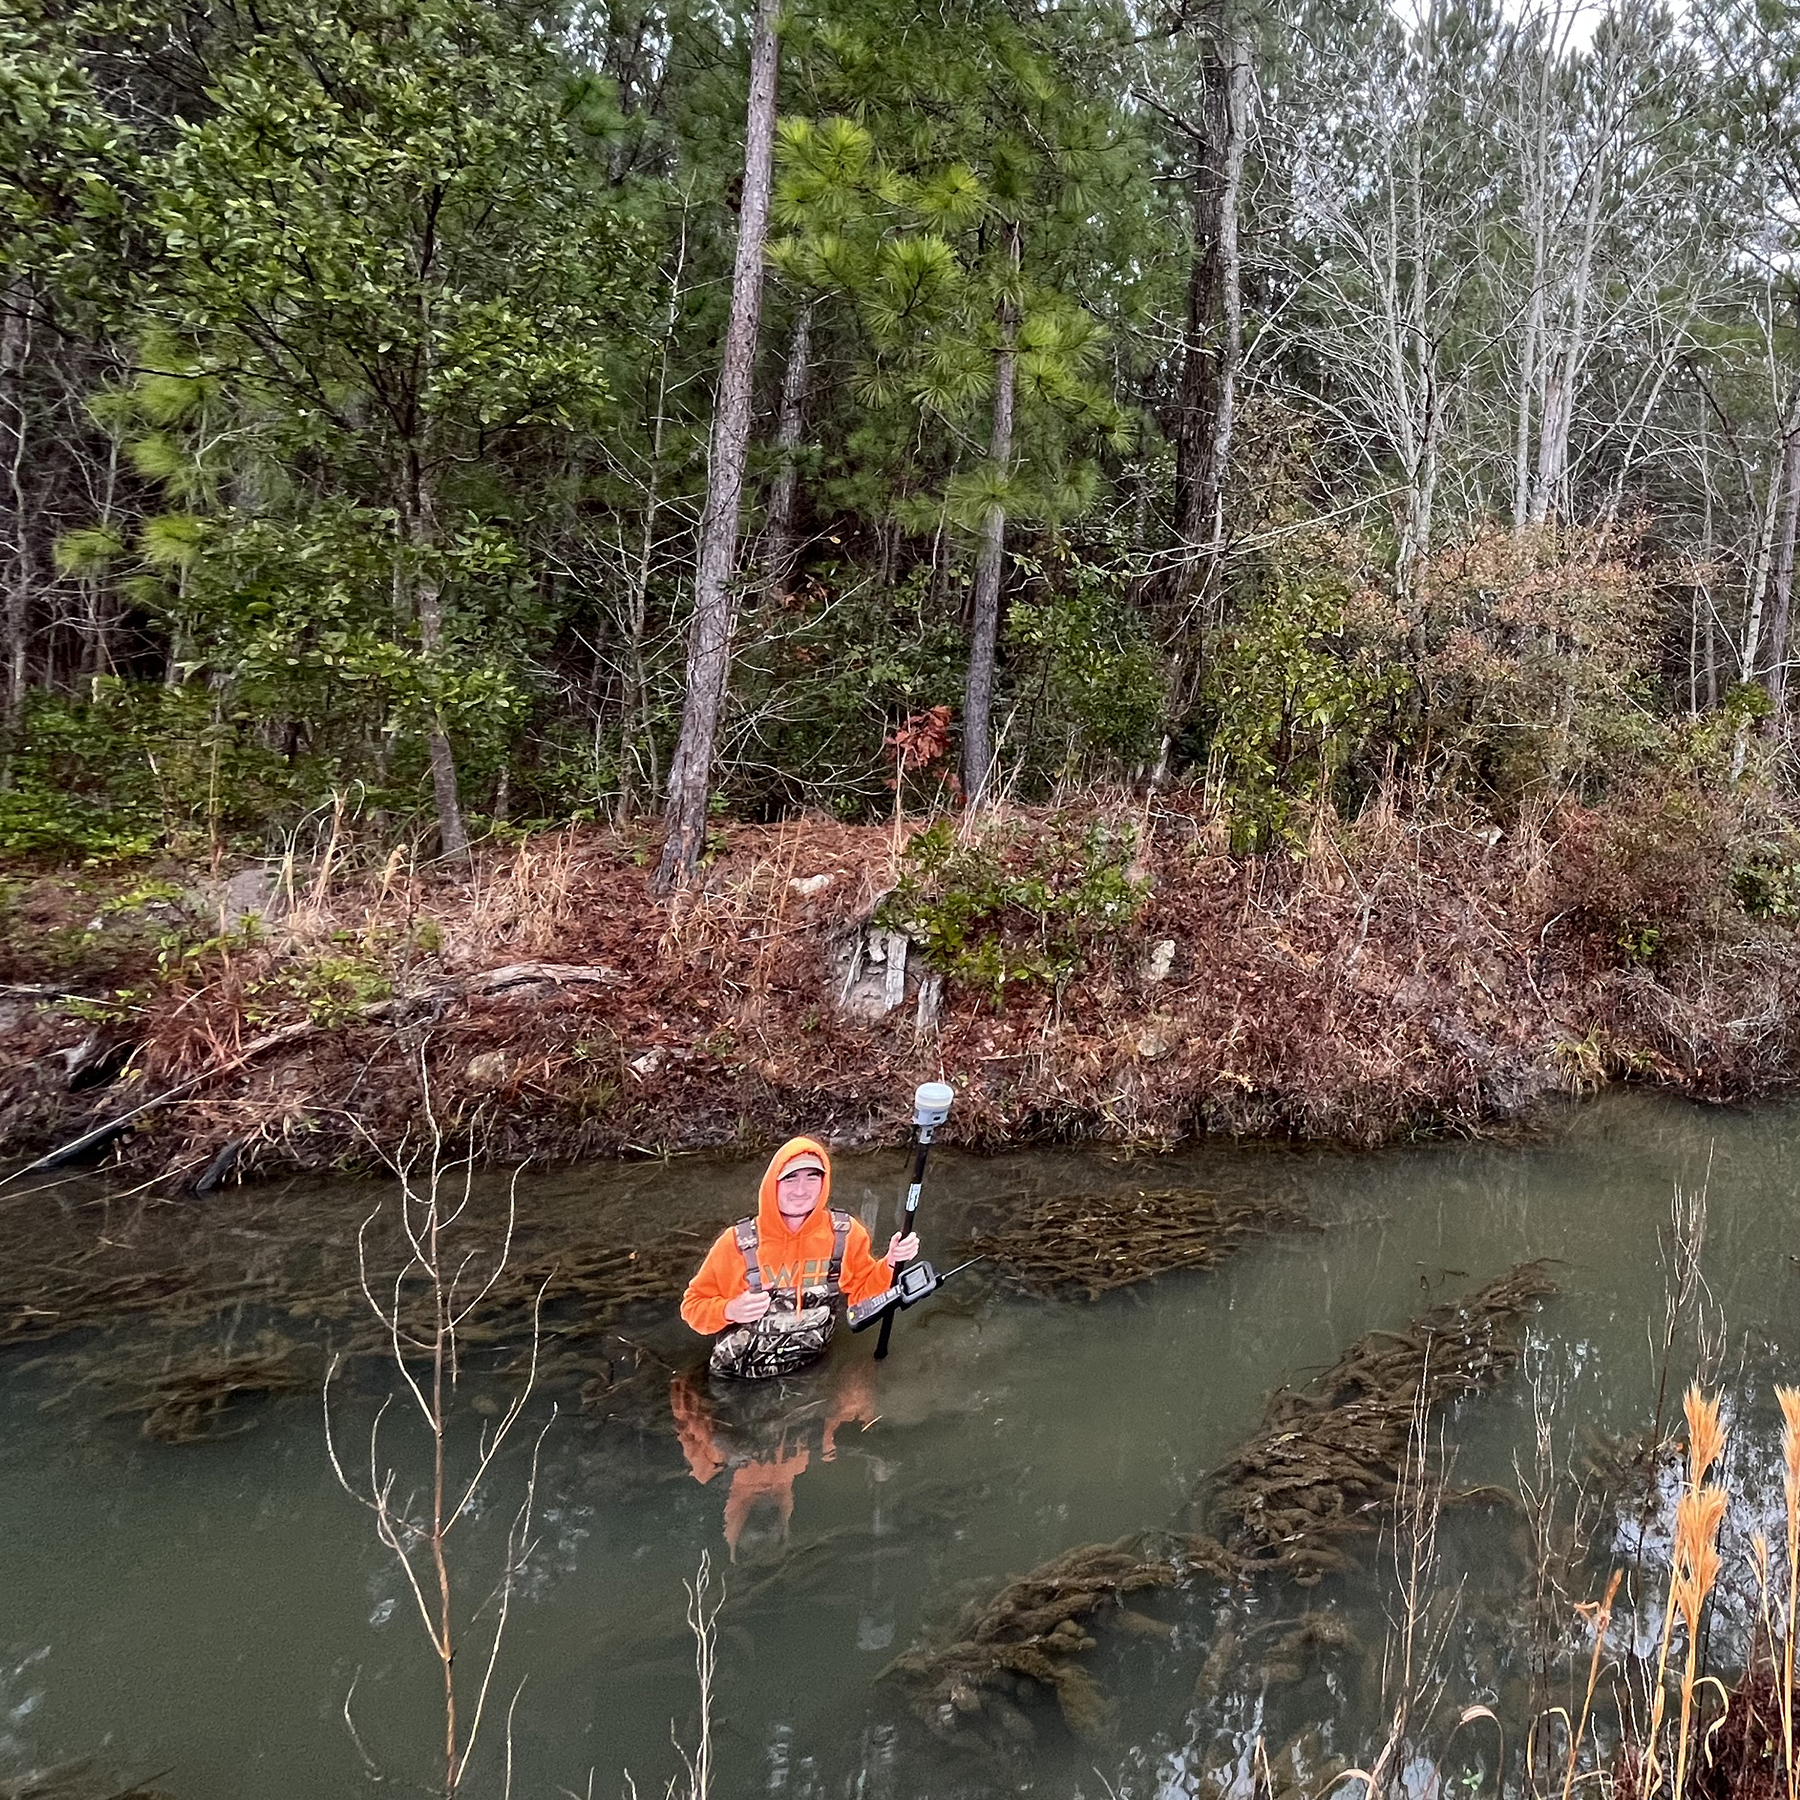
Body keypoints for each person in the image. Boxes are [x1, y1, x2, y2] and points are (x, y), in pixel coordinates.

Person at [680, 1136, 919, 1379]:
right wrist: (729, 1309)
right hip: (737, 1379)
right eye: (790, 1178)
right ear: (773, 1183)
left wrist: (891, 1263)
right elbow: (692, 1307)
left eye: (812, 1177)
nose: (801, 1190)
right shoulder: (737, 1243)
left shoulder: (845, 1234)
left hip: (812, 1371)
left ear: (824, 1183)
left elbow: (862, 1296)